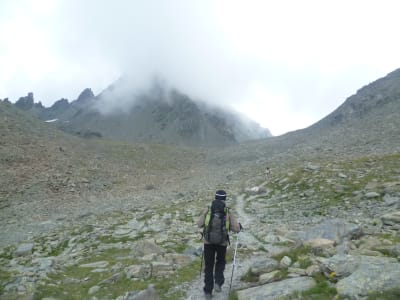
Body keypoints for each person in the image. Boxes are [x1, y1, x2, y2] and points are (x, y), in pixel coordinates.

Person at [197, 190, 241, 298]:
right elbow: (236, 228)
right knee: (220, 262)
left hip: (208, 242)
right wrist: (239, 227)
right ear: (224, 199)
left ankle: (208, 291)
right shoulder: (227, 211)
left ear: (215, 197)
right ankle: (218, 283)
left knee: (208, 266)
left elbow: (199, 224)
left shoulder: (208, 209)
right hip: (222, 243)